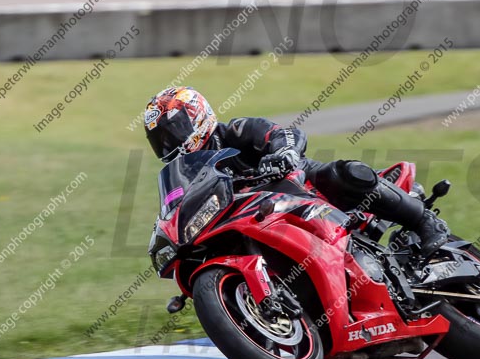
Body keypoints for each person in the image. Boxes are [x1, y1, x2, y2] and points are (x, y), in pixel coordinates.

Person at [143, 87, 450, 257]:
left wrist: (282, 153)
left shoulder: (235, 130)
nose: (171, 143)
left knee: (346, 173)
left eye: (175, 132)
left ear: (198, 118)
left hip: (297, 185)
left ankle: (425, 221)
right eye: (162, 140)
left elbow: (285, 134)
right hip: (259, 220)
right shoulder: (187, 173)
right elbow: (180, 206)